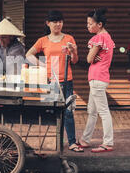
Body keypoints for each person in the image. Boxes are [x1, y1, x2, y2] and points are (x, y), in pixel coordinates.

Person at [26, 10, 80, 152]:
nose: (58, 24)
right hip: (49, 81)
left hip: (67, 80)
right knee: (50, 111)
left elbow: (75, 61)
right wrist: (41, 65)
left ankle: (72, 142)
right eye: (55, 21)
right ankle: (53, 141)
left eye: (60, 21)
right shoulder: (43, 40)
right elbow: (29, 54)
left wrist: (73, 51)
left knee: (68, 111)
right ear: (48, 23)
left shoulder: (69, 38)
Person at [78, 8, 115, 153]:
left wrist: (92, 56)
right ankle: (85, 140)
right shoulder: (108, 37)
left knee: (103, 111)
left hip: (98, 78)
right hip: (99, 78)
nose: (88, 26)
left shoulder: (99, 38)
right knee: (92, 111)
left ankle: (108, 142)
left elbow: (88, 59)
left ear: (99, 24)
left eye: (90, 24)